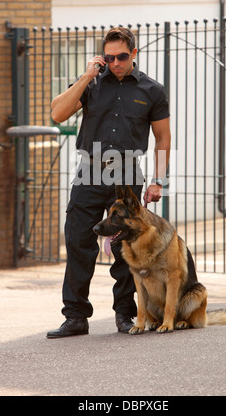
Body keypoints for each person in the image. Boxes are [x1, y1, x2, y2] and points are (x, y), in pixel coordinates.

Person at [47, 27, 171, 338]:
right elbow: (58, 114)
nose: (115, 62)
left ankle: (125, 315)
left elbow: (163, 138)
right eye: (110, 57)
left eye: (122, 57)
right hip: (89, 171)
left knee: (126, 247)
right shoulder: (90, 85)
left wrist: (158, 180)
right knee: (78, 242)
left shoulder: (151, 90)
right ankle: (75, 317)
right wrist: (87, 76)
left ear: (134, 54)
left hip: (128, 174)